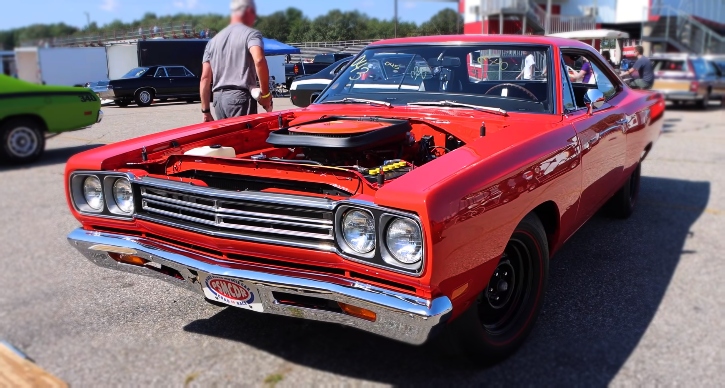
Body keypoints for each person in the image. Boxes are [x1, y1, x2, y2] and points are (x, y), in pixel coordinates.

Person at [200, 0, 272, 122]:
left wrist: (206, 111)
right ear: (249, 11)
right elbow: (259, 60)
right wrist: (265, 95)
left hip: (218, 100)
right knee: (244, 140)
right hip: (240, 99)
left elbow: (205, 78)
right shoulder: (251, 34)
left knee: (227, 140)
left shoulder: (212, 42)